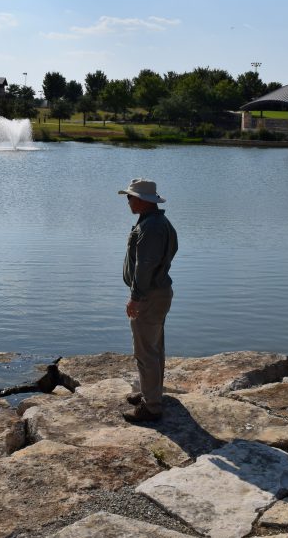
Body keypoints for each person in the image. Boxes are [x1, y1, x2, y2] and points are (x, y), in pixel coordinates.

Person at [118, 178, 178, 423]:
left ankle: (152, 406)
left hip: (150, 295)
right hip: (156, 293)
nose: (128, 201)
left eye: (130, 197)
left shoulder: (151, 227)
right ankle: (150, 393)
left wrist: (136, 298)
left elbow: (145, 266)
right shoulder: (155, 222)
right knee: (153, 348)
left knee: (146, 352)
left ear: (142, 201)